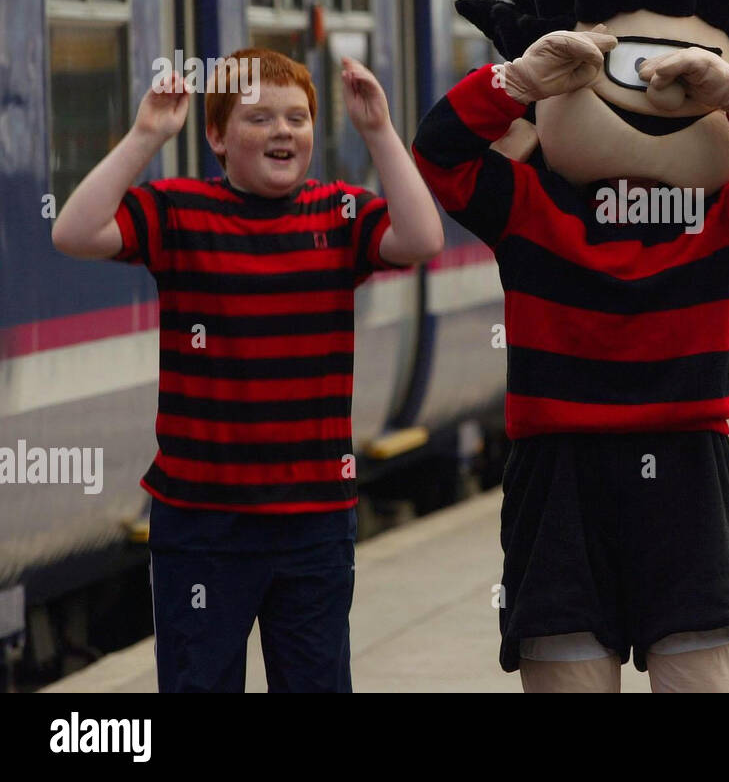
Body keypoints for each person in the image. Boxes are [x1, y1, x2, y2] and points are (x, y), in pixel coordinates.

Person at [408, 0, 729, 691]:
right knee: (570, 673)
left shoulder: (724, 224)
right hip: (559, 474)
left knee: (700, 677)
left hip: (686, 469)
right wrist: (519, 81)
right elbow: (439, 153)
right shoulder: (530, 209)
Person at [51, 48, 443, 692]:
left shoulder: (340, 214)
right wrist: (147, 134)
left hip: (313, 518)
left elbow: (423, 238)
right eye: (258, 119)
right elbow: (73, 231)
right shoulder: (177, 213)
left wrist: (378, 130)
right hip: (202, 521)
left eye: (297, 117)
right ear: (216, 137)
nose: (282, 131)